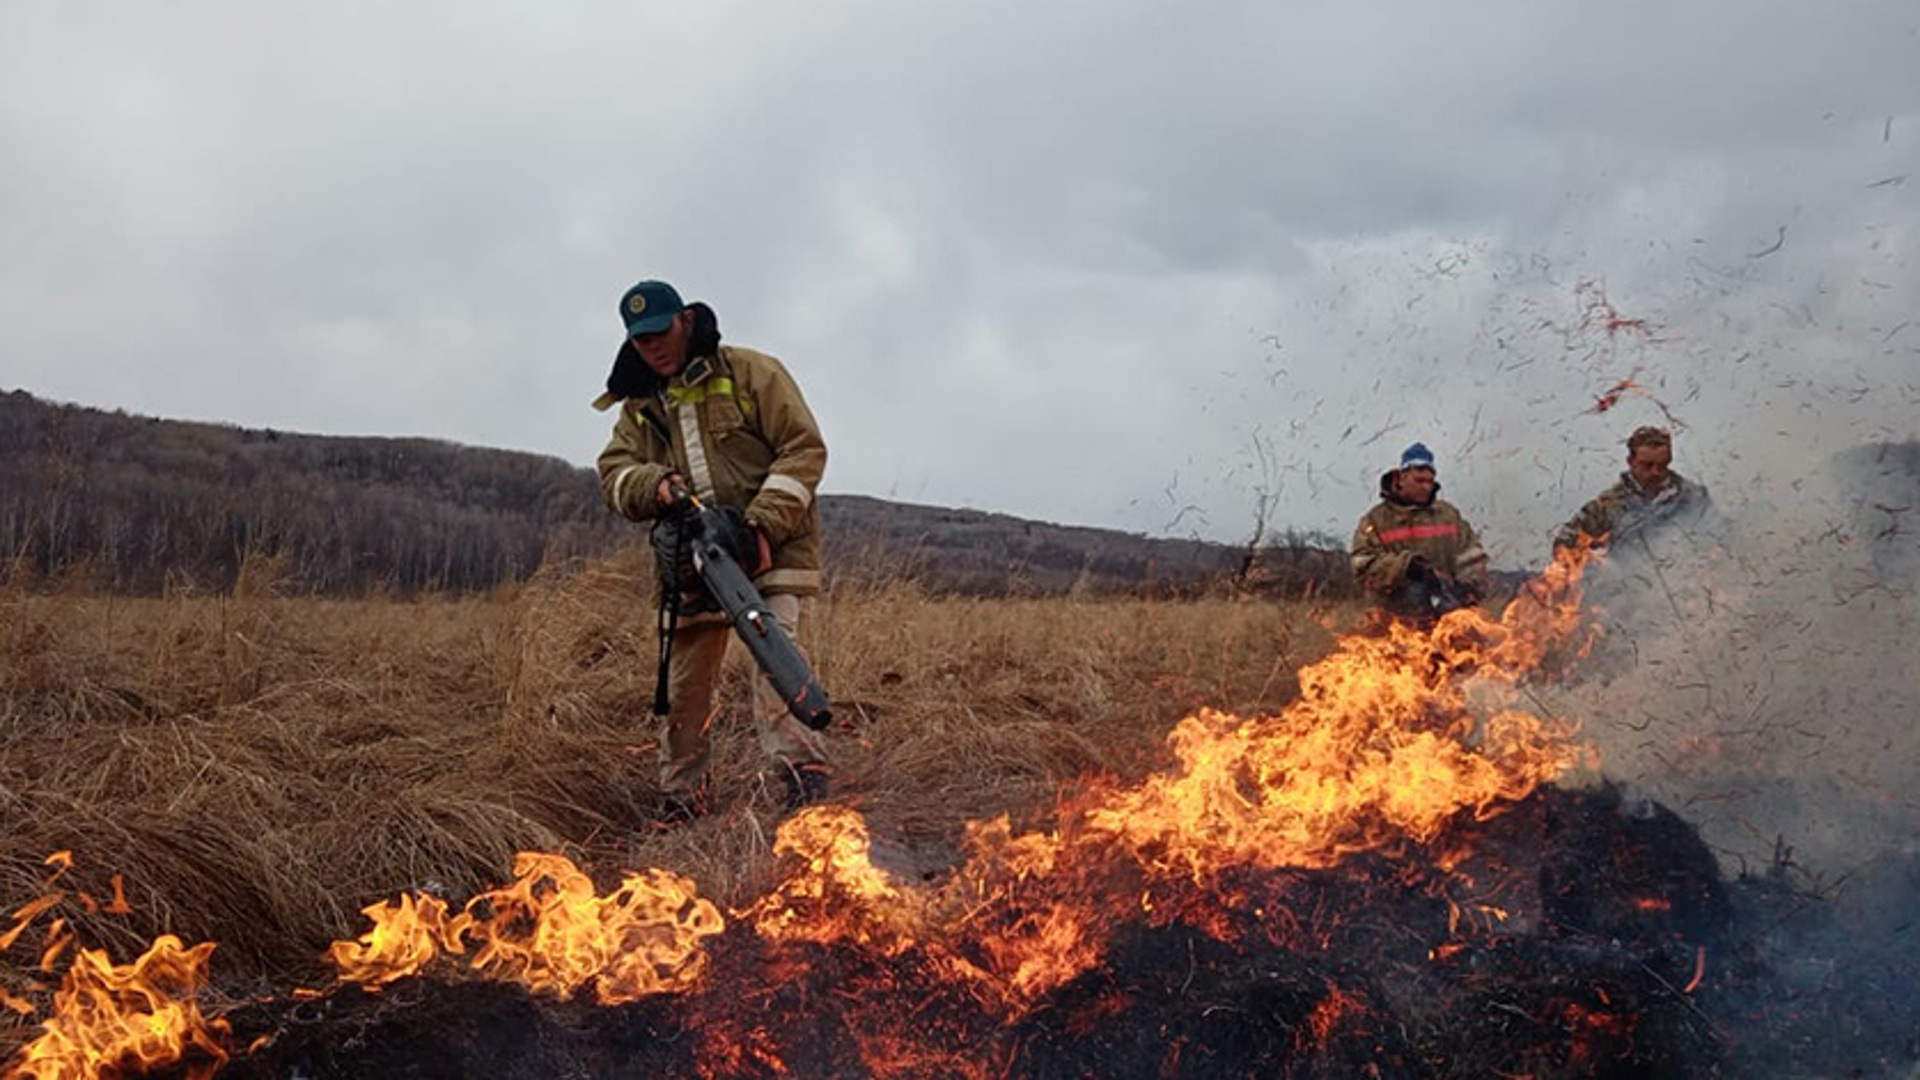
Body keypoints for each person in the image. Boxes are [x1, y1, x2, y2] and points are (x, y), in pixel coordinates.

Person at [593, 279, 829, 824]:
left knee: (776, 664)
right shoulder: (639, 407)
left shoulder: (752, 373)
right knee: (683, 689)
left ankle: (804, 785)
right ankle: (682, 798)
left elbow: (804, 448)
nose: (652, 347)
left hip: (771, 549)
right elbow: (614, 474)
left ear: (687, 322)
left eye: (660, 332)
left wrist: (763, 527)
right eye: (640, 339)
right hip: (692, 564)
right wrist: (654, 484)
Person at [1350, 442, 1490, 621]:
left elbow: (1472, 556)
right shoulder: (1376, 520)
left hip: (1447, 621)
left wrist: (1469, 588)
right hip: (1393, 623)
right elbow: (1362, 565)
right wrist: (1406, 567)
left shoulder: (1449, 516)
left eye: (1430, 481)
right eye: (1419, 480)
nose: (1426, 487)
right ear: (1401, 478)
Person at [1551, 426, 1712, 556]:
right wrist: (1596, 561)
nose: (1655, 472)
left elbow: (1719, 536)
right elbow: (1565, 543)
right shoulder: (1607, 506)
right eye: (1647, 465)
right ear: (1631, 461)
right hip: (1626, 590)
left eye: (1662, 466)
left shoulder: (1693, 497)